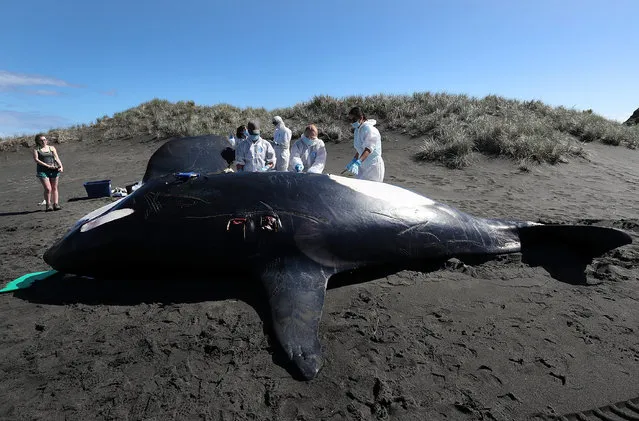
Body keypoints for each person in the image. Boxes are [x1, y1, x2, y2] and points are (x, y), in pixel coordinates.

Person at [344, 106, 385, 182]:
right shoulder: (358, 130)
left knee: (372, 189)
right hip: (363, 164)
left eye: (354, 119)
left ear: (361, 117)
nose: (352, 122)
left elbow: (368, 149)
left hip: (373, 165)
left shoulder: (370, 129)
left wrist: (358, 162)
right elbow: (360, 148)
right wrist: (354, 160)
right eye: (350, 120)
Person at [33, 133, 64, 211]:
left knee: (54, 187)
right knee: (48, 188)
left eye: (44, 140)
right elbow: (36, 160)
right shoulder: (36, 149)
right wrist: (47, 165)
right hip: (43, 170)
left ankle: (56, 204)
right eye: (41, 140)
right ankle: (48, 204)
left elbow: (56, 157)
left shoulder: (51, 148)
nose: (43, 141)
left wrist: (61, 166)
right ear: (38, 141)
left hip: (54, 169)